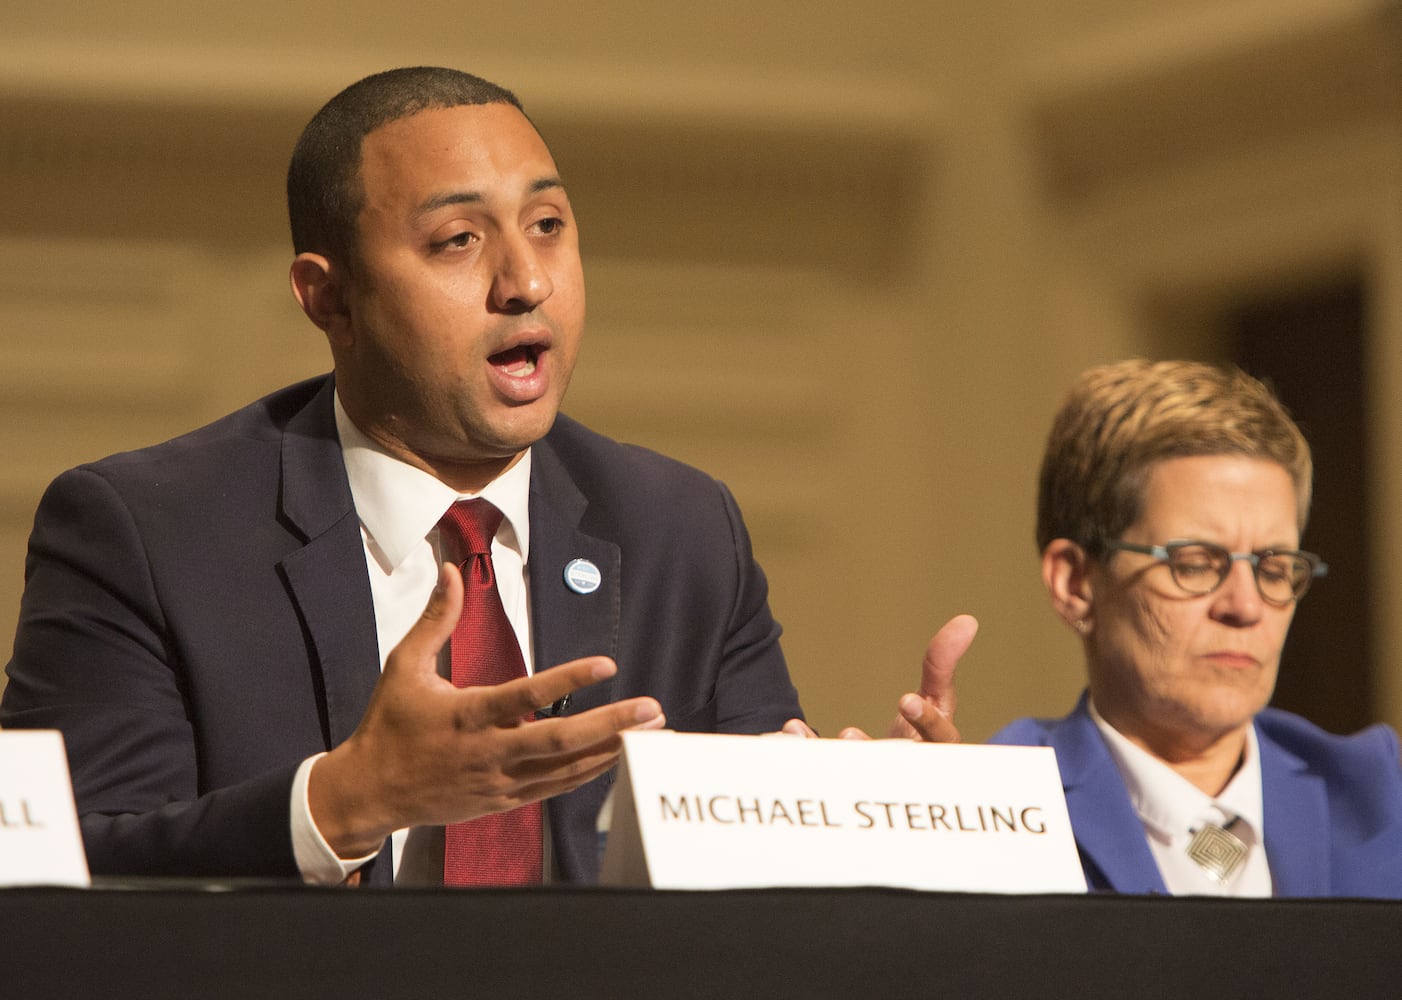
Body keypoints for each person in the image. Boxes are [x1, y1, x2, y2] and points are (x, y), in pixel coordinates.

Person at [1, 67, 961, 887]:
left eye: (547, 225)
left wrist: (869, 822)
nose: (524, 280)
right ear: (327, 296)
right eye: (458, 240)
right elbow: (68, 870)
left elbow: (745, 896)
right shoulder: (147, 531)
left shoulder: (682, 531)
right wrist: (343, 803)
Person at [989, 359, 1402, 897]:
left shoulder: (1379, 794)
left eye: (1274, 568)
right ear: (1075, 583)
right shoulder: (1002, 809)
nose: (1246, 606)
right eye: (1196, 563)